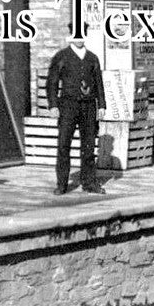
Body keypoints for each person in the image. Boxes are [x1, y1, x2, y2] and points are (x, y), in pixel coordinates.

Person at [46, 37, 106, 194]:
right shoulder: (61, 56)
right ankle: (62, 184)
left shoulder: (93, 58)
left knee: (89, 146)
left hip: (89, 106)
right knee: (64, 144)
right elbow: (52, 82)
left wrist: (102, 105)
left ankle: (89, 183)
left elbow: (99, 83)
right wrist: (53, 105)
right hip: (68, 106)